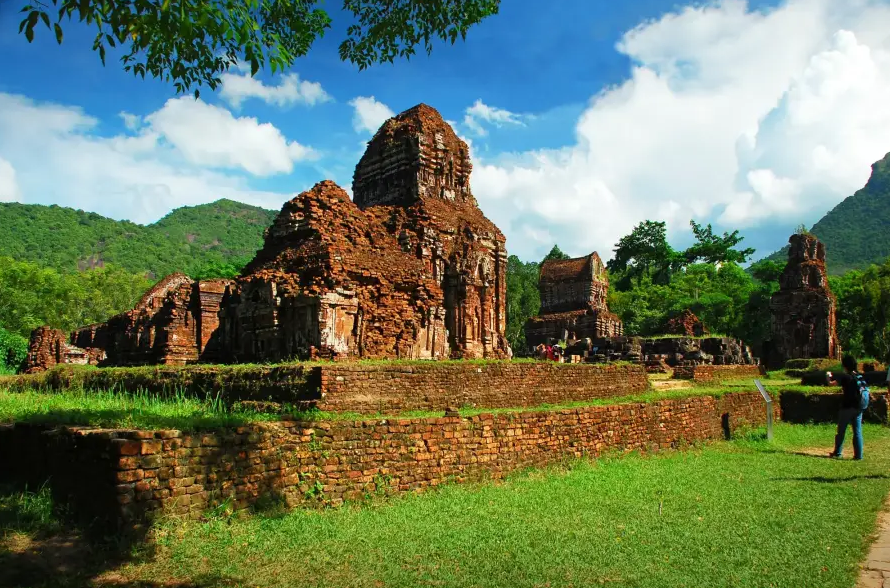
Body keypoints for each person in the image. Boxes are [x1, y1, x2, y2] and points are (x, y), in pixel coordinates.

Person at [827, 355, 866, 460]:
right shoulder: (859, 376)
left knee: (841, 430)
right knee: (857, 431)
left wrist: (828, 376)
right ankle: (858, 455)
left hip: (847, 407)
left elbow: (831, 384)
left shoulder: (845, 376)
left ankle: (838, 452)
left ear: (845, 365)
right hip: (859, 407)